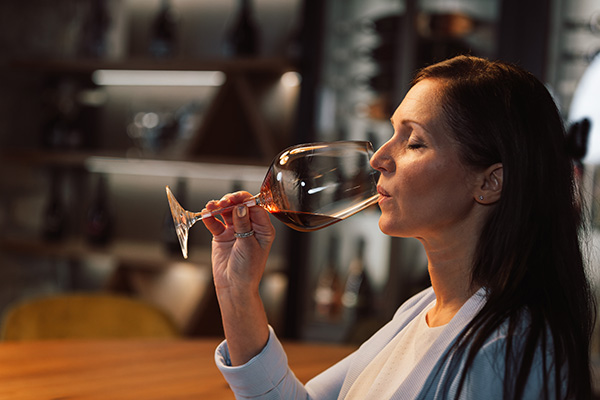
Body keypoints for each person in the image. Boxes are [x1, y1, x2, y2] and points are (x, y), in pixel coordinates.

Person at [201, 55, 596, 399]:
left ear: (489, 182)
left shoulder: (506, 350)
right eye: (393, 133)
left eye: (415, 142)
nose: (380, 159)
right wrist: (237, 292)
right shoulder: (422, 310)